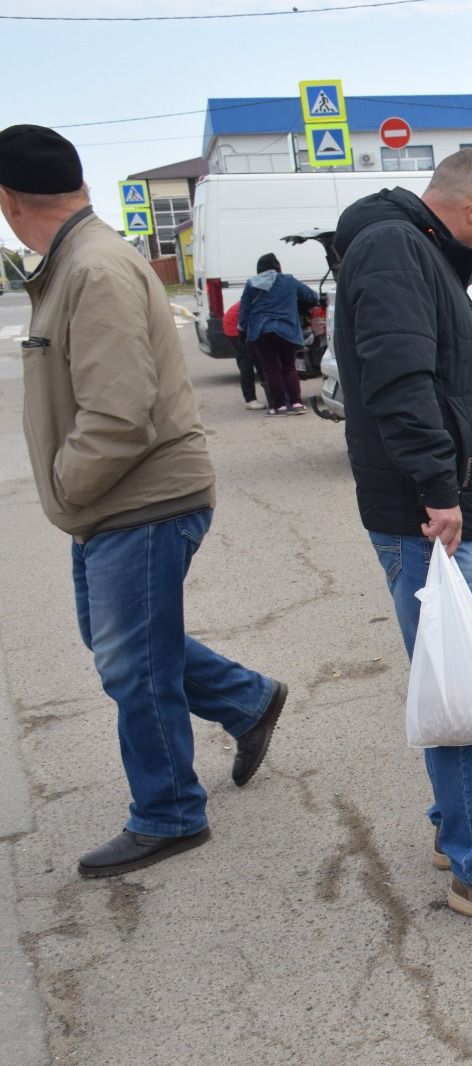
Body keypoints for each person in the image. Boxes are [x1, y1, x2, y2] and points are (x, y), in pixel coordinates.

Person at [0, 124, 289, 877]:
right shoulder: (73, 261)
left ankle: (168, 813)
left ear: (7, 199)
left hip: (141, 501)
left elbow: (117, 414)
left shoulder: (91, 268)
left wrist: (65, 487)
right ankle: (248, 701)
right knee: (122, 648)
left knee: (134, 666)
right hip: (117, 505)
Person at [331, 148, 472, 931]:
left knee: (453, 667)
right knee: (462, 684)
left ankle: (464, 826)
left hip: (441, 506)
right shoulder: (396, 249)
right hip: (429, 514)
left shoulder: (413, 248)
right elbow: (401, 380)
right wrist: (438, 488)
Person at [237, 251, 316, 415]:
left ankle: (279, 406)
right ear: (278, 266)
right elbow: (311, 296)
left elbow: (244, 311)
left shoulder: (251, 284)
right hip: (287, 331)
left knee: (271, 370)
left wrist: (244, 331)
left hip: (261, 332)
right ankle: (296, 404)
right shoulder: (288, 280)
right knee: (289, 367)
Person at [222, 298, 266, 410]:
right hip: (235, 327)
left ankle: (269, 393)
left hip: (240, 324)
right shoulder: (264, 300)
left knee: (255, 358)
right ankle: (250, 400)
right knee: (247, 360)